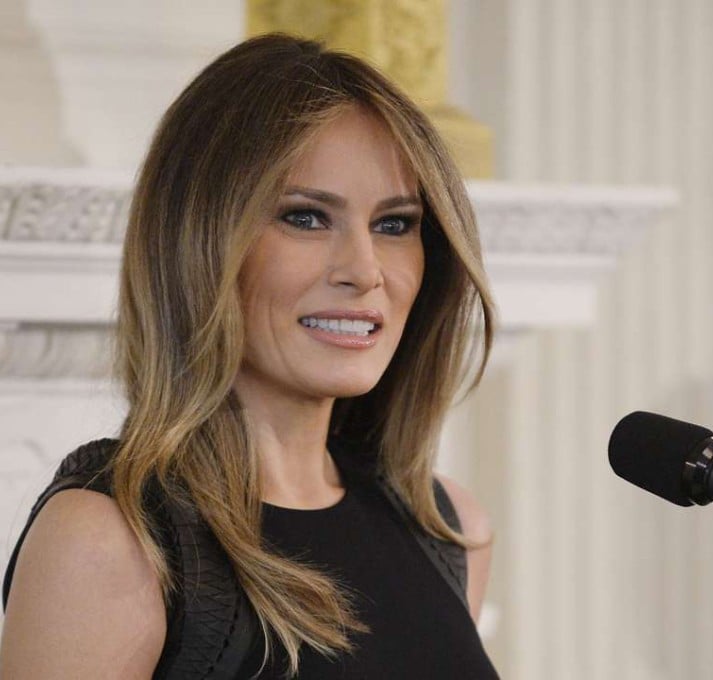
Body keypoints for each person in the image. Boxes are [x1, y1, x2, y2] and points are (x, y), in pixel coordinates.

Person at [0, 33, 498, 678]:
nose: (365, 270)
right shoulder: (109, 540)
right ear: (199, 244)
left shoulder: (451, 529)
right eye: (307, 217)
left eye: (395, 223)